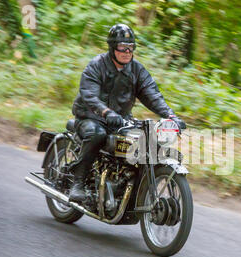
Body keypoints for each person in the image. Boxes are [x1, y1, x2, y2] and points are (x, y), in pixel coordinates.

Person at [69, 23, 186, 202]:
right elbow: (89, 95)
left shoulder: (137, 70)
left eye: (131, 47)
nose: (127, 51)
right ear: (112, 47)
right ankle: (78, 182)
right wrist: (106, 112)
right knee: (97, 134)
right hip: (91, 117)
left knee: (145, 141)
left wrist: (171, 117)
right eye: (122, 47)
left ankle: (125, 184)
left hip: (120, 120)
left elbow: (152, 95)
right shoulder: (96, 65)